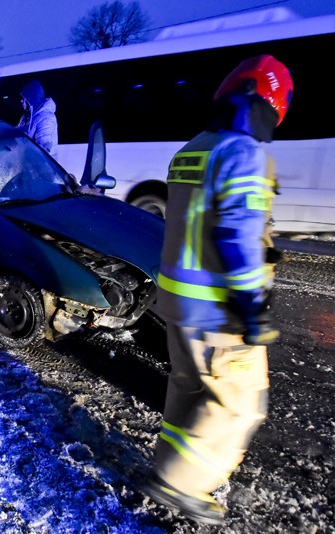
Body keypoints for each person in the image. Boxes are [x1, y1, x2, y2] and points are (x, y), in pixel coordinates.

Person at [145, 55, 293, 525]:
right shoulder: (243, 153)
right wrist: (252, 309)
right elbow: (237, 235)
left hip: (177, 299)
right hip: (218, 309)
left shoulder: (193, 148)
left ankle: (172, 462)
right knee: (239, 399)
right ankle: (179, 482)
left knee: (189, 389)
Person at [17, 80, 58, 157]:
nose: (21, 101)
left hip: (41, 166)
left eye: (24, 98)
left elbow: (43, 148)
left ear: (32, 99)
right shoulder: (26, 117)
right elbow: (16, 134)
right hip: (27, 163)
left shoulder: (46, 117)